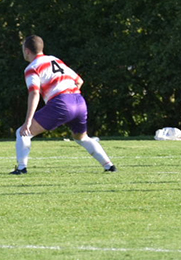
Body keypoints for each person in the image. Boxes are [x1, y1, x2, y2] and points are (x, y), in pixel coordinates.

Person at [11, 35, 116, 175]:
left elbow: (34, 93)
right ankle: (109, 166)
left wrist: (28, 121)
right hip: (79, 101)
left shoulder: (32, 68)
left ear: (27, 50)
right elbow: (79, 81)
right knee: (81, 137)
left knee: (23, 133)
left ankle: (21, 168)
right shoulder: (55, 59)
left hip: (61, 103)